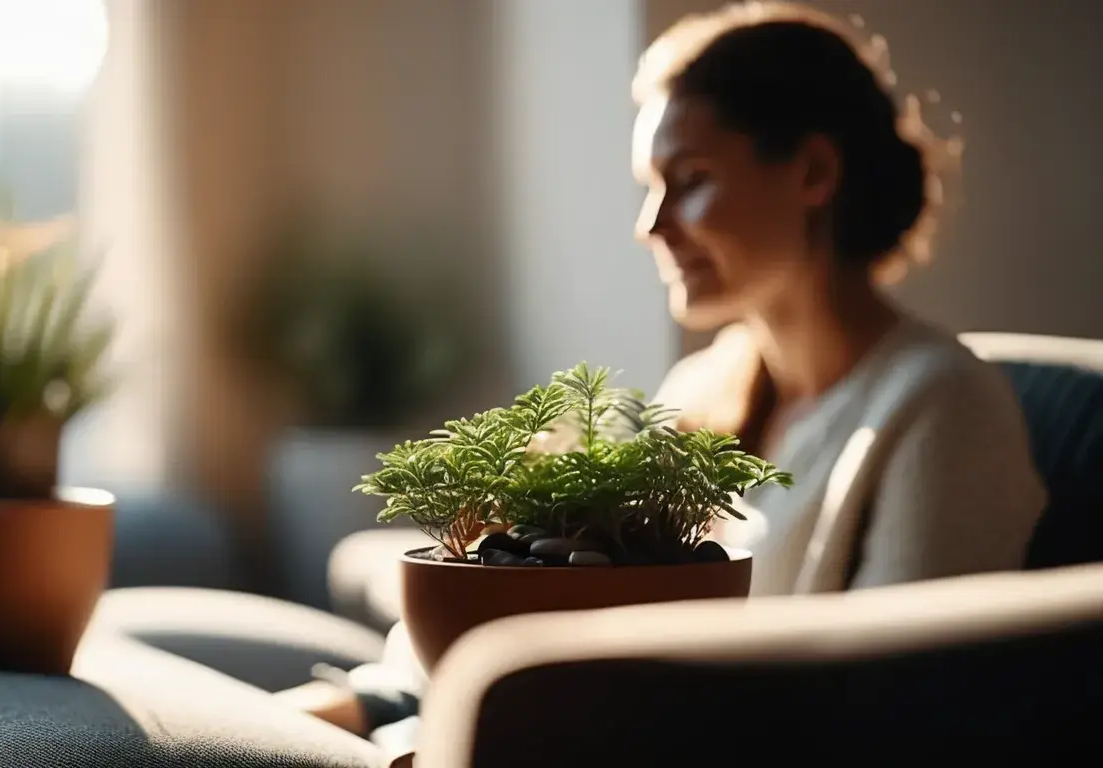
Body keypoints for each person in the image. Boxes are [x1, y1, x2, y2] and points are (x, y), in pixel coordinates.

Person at [278, 0, 1047, 739]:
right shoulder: (704, 393)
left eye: (691, 179)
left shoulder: (942, 406)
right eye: (652, 187)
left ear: (813, 172)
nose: (651, 226)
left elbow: (899, 709)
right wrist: (351, 714)